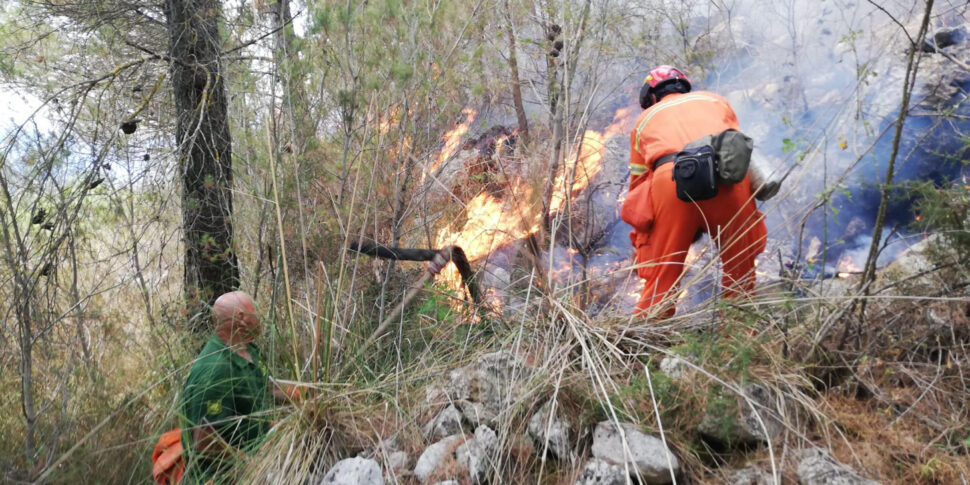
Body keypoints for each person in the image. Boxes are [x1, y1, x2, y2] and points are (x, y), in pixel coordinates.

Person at [628, 65, 767, 318]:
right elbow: (737, 146)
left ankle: (646, 340)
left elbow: (639, 185)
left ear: (652, 95)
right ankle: (738, 339)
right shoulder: (716, 101)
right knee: (740, 265)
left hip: (672, 182)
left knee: (664, 273)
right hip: (726, 179)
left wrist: (647, 235)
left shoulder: (643, 121)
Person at [179, 291, 298, 483]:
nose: (261, 315)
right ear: (241, 318)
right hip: (223, 478)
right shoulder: (214, 370)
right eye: (256, 309)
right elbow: (205, 440)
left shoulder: (248, 349)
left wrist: (308, 396)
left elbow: (267, 385)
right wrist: (252, 464)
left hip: (258, 457)